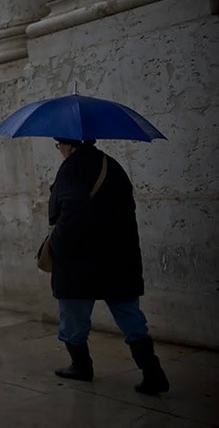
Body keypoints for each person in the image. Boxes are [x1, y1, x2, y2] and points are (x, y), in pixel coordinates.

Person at [48, 138, 169, 395]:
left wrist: (55, 245)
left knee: (73, 318)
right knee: (130, 317)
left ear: (68, 145)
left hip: (80, 262)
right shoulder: (111, 165)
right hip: (118, 258)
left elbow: (70, 213)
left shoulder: (71, 169)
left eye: (58, 145)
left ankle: (81, 366)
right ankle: (152, 372)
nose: (59, 150)